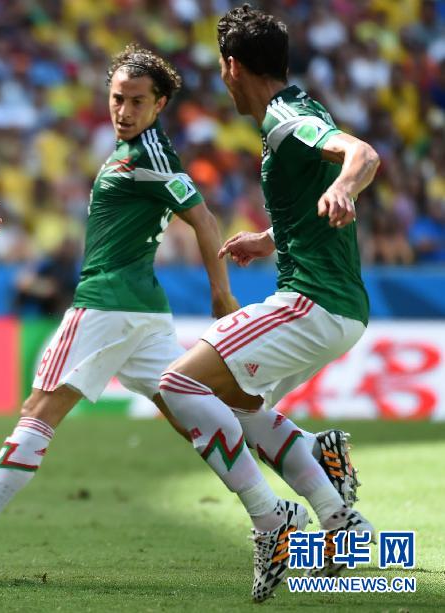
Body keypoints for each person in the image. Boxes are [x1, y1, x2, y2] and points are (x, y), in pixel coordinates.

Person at [0, 43, 358, 558]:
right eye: (118, 99)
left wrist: (221, 294)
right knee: (207, 411)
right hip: (144, 314)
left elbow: (203, 220)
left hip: (105, 303)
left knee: (39, 409)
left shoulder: (148, 154)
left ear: (159, 105)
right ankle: (312, 457)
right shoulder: (135, 152)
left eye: (138, 102)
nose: (125, 111)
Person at [156, 5, 379, 602]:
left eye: (221, 68)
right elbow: (317, 188)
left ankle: (269, 517)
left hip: (313, 301)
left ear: (232, 66)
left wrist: (343, 183)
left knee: (177, 388)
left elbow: (363, 154)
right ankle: (340, 516)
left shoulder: (286, 116)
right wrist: (271, 236)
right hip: (338, 308)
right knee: (242, 411)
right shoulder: (298, 111)